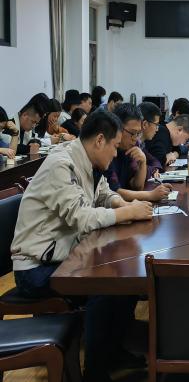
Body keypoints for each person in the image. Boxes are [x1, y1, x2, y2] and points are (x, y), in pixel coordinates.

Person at [10, 111, 153, 382]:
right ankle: (95, 372)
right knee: (104, 286)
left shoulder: (88, 161)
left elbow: (104, 194)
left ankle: (113, 352)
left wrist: (123, 204)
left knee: (124, 282)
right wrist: (126, 213)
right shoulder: (61, 165)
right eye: (114, 146)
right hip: (35, 268)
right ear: (99, 140)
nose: (116, 153)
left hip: (64, 256)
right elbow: (81, 217)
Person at [104, 103, 171, 200]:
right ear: (117, 127)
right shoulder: (107, 151)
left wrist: (142, 163)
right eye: (133, 133)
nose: (135, 139)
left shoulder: (130, 147)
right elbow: (113, 192)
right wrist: (150, 195)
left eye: (138, 133)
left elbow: (137, 186)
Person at [138, 101, 164, 177]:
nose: (157, 129)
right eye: (156, 124)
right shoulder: (132, 143)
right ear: (145, 124)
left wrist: (153, 169)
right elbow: (136, 170)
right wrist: (152, 170)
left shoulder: (141, 144)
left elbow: (155, 161)